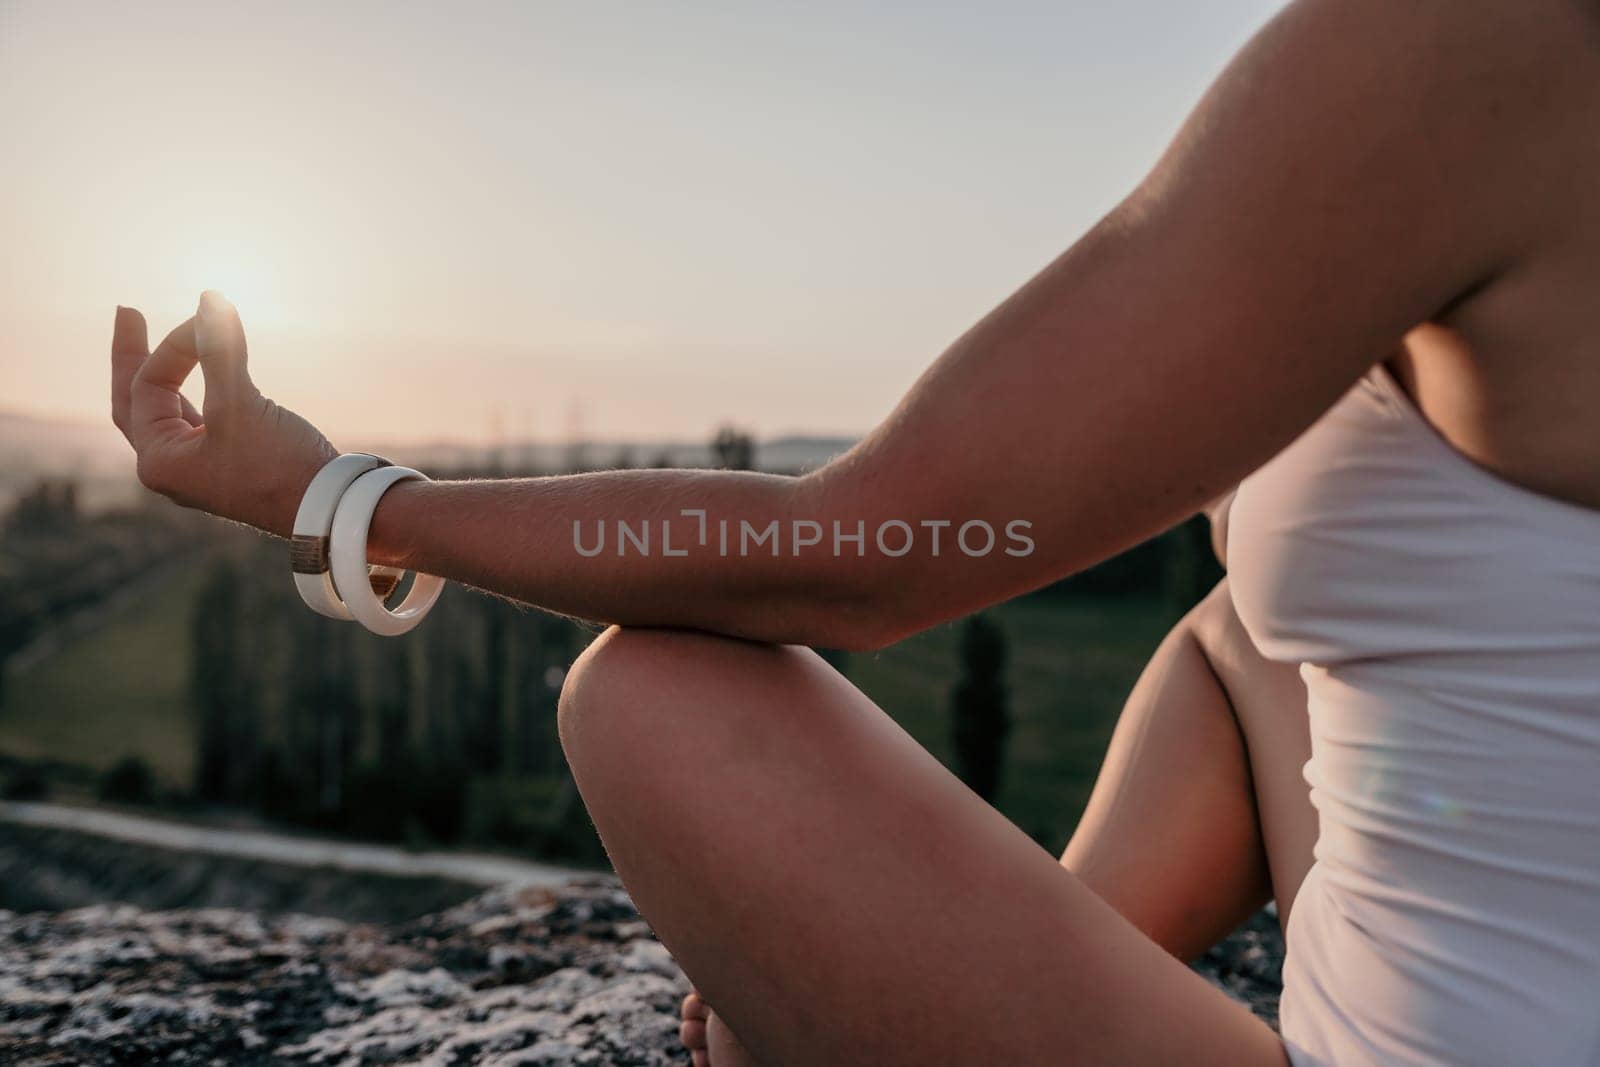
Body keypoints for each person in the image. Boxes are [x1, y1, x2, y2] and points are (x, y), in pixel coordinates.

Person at [109, 0, 1600, 1062]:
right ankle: (1045, 961)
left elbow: (865, 553)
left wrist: (336, 500)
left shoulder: (1477, 47)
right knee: (1237, 635)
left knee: (656, 699)